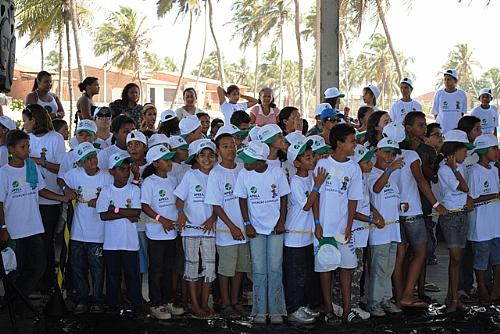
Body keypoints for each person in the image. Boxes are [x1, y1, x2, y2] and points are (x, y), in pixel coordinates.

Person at [0, 130, 70, 314]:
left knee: (39, 266)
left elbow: (41, 190)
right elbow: (0, 203)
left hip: (33, 226)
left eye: (28, 146)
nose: (27, 150)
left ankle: (16, 301)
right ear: (11, 149)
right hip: (14, 229)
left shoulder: (31, 166)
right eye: (23, 147)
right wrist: (3, 227)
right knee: (18, 269)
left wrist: (61, 198)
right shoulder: (4, 174)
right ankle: (16, 306)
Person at [234, 141, 290, 325]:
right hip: (255, 229)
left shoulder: (277, 172)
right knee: (258, 270)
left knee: (275, 269)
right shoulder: (244, 174)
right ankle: (259, 310)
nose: (244, 163)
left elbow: (283, 198)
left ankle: (276, 310)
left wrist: (281, 221)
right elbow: (242, 200)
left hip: (275, 228)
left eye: (249, 160)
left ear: (260, 161)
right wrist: (247, 223)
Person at [314, 124, 364, 323]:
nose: (354, 144)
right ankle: (328, 310)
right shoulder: (322, 164)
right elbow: (316, 197)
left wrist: (349, 225)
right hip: (324, 227)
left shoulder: (354, 168)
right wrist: (317, 223)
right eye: (351, 141)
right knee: (326, 268)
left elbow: (353, 199)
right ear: (339, 143)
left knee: (346, 267)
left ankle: (347, 310)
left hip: (343, 227)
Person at [58, 142, 112, 314]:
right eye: (87, 159)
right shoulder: (74, 174)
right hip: (77, 233)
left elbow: (115, 195)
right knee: (78, 268)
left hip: (99, 234)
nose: (92, 160)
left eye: (93, 156)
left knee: (97, 269)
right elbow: (60, 179)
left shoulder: (107, 176)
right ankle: (82, 299)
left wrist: (102, 201)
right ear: (80, 163)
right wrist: (66, 189)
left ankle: (96, 299)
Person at [205, 126, 251, 319]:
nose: (230, 149)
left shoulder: (242, 168)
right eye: (225, 146)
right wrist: (231, 226)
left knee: (240, 269)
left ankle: (235, 301)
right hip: (227, 232)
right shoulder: (216, 173)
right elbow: (216, 205)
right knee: (225, 270)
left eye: (232, 145)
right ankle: (225, 303)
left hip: (244, 230)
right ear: (218, 151)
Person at [174, 139, 218, 319]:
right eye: (202, 155)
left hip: (209, 230)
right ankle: (195, 305)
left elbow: (218, 204)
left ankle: (205, 304)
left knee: (209, 269)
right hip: (190, 230)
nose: (206, 159)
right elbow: (179, 199)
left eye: (210, 155)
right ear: (197, 158)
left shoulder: (217, 175)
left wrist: (213, 218)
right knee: (191, 268)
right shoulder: (191, 175)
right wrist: (181, 213)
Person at [283, 139, 325, 324]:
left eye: (312, 156)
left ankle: (303, 306)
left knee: (306, 274)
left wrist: (317, 223)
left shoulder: (310, 177)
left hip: (307, 236)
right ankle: (293, 309)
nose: (312, 159)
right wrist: (317, 185)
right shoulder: (296, 182)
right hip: (294, 237)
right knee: (295, 275)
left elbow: (315, 202)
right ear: (297, 163)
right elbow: (307, 204)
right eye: (307, 157)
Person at [141, 145, 185, 319]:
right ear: (155, 163)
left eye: (169, 159)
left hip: (172, 232)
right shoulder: (149, 182)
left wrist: (179, 216)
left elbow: (178, 202)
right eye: (165, 160)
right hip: (156, 233)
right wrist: (161, 219)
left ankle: (167, 300)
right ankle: (156, 303)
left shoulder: (173, 179)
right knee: (156, 269)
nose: (169, 162)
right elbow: (145, 205)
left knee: (168, 268)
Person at [28, 104, 67, 294]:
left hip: (50, 198)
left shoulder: (56, 138)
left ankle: (48, 281)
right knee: (32, 242)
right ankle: (33, 279)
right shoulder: (25, 138)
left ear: (35, 120)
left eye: (27, 120)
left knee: (47, 241)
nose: (24, 124)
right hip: (29, 200)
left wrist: (39, 161)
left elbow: (60, 168)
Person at [96, 152, 142, 312]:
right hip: (111, 243)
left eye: (128, 168)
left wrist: (115, 209)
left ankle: (136, 303)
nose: (126, 172)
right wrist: (126, 214)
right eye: (121, 169)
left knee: (132, 275)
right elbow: (103, 215)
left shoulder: (134, 189)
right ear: (111, 172)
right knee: (112, 275)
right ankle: (112, 304)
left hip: (130, 243)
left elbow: (136, 212)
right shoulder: (106, 190)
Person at [437, 129, 474, 312]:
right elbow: (464, 187)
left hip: (462, 214)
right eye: (463, 150)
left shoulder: (459, 167)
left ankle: (453, 296)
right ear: (454, 151)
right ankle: (452, 298)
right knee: (455, 258)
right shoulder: (446, 169)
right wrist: (453, 169)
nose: (466, 153)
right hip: (452, 216)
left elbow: (466, 193)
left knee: (457, 259)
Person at [367, 137, 404, 317]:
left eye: (393, 153)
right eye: (386, 152)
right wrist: (389, 170)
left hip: (392, 229)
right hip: (379, 231)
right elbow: (376, 189)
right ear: (378, 152)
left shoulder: (392, 176)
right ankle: (374, 302)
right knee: (379, 267)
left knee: (388, 267)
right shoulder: (371, 173)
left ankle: (385, 299)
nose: (390, 156)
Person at [431, 69, 467, 134]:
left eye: (449, 79)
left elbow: (462, 113)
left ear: (455, 81)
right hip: (442, 131)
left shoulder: (462, 94)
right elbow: (435, 113)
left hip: (456, 131)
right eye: (445, 79)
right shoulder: (439, 93)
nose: (446, 81)